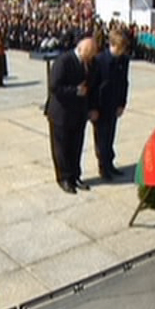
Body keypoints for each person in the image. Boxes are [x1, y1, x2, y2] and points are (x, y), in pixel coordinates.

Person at [45, 37, 98, 194]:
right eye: (89, 54)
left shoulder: (90, 63)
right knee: (62, 148)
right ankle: (64, 178)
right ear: (81, 49)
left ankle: (75, 176)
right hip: (61, 112)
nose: (91, 58)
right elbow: (54, 86)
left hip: (79, 112)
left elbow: (92, 85)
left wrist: (91, 107)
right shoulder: (64, 61)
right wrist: (75, 91)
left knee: (76, 146)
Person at [90, 30, 129, 181]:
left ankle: (110, 163)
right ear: (112, 45)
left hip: (114, 104)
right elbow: (93, 86)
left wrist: (122, 103)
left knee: (110, 135)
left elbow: (124, 82)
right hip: (100, 105)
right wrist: (92, 108)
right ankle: (103, 166)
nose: (122, 51)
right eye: (120, 48)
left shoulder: (123, 60)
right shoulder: (99, 60)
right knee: (101, 138)